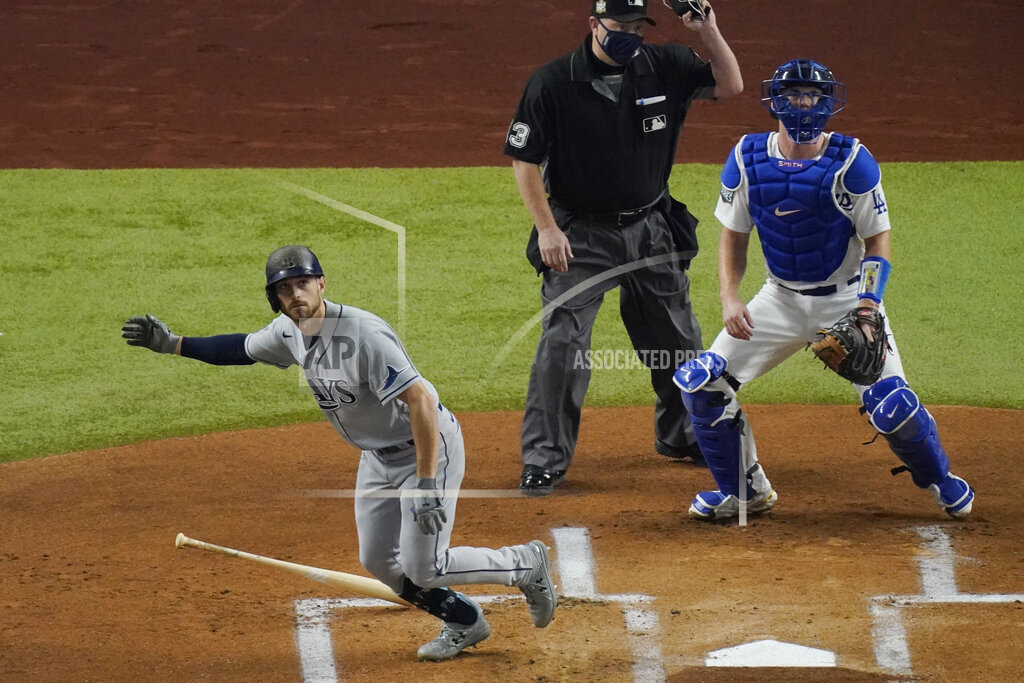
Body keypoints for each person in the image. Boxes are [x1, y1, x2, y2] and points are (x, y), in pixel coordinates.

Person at [121, 245, 557, 661]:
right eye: (284, 289)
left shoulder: (364, 335)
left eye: (302, 283)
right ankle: (463, 621)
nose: (295, 295)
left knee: (425, 568)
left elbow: (420, 400)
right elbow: (239, 349)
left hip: (426, 450)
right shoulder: (288, 332)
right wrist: (174, 343)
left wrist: (426, 482)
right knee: (377, 561)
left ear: (321, 284)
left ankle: (524, 564)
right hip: (377, 458)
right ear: (275, 298)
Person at [672, 60, 975, 522]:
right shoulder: (747, 157)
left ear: (827, 101)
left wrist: (869, 307)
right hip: (779, 299)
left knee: (891, 405)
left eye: (812, 95)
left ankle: (941, 480)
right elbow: (733, 236)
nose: (804, 104)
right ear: (776, 100)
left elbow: (878, 241)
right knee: (702, 384)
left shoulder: (851, 162)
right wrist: (730, 298)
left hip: (847, 301)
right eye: (794, 95)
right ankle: (744, 492)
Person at [503, 0, 743, 495]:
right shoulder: (551, 82)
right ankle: (544, 458)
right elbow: (524, 162)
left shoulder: (665, 66)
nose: (631, 36)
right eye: (621, 27)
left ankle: (682, 435)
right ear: (594, 25)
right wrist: (547, 229)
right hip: (580, 235)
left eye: (638, 27)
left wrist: (709, 32)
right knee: (563, 345)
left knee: (676, 338)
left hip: (651, 227)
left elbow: (731, 85)